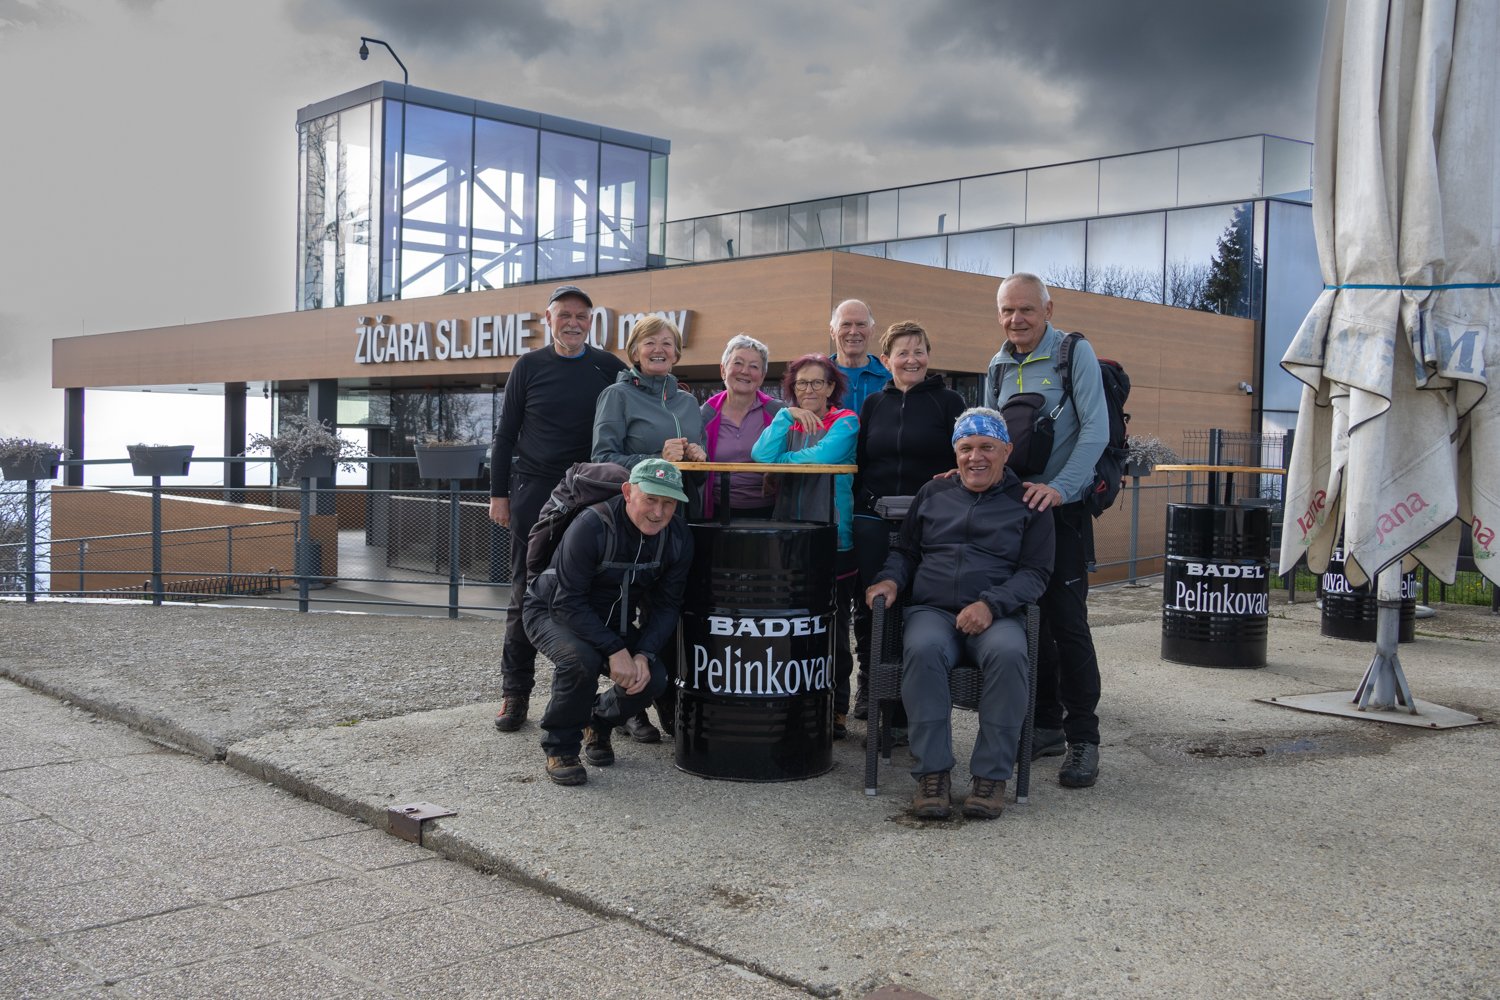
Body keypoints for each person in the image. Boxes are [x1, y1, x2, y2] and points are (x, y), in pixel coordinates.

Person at [865, 408, 1053, 820]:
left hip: (997, 614)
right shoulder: (933, 493)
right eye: (966, 448)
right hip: (932, 610)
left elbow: (1036, 573)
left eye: (987, 447)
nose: (975, 457)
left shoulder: (1028, 502)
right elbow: (906, 551)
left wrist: (992, 604)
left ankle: (990, 777)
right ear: (955, 452)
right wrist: (890, 580)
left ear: (1007, 450)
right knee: (923, 650)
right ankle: (932, 775)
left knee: (1010, 654)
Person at [983, 273, 1108, 789]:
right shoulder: (997, 365)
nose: (1016, 319)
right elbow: (991, 436)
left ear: (1048, 310)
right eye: (1007, 311)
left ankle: (1084, 739)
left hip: (1062, 512)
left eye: (1027, 310)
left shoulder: (1073, 352)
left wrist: (1059, 488)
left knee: (1068, 624)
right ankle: (1044, 726)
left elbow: (1096, 429)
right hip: (1016, 514)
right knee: (1025, 621)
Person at [489, 285, 627, 735]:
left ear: (591, 322)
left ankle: (589, 698)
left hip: (591, 494)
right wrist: (499, 495)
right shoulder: (528, 366)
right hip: (535, 492)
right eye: (564, 315)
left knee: (592, 591)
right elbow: (505, 435)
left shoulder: (609, 367)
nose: (573, 322)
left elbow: (637, 410)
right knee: (525, 591)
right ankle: (515, 692)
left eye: (581, 316)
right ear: (547, 319)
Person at [524, 459, 693, 786]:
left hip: (611, 620)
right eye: (650, 500)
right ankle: (561, 747)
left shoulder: (677, 537)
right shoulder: (592, 525)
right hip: (551, 611)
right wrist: (615, 650)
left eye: (669, 503)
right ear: (628, 492)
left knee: (654, 677)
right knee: (581, 661)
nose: (658, 512)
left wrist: (643, 654)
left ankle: (598, 722)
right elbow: (568, 601)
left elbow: (667, 605)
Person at [591, 314, 706, 743]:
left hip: (676, 523)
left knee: (668, 612)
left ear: (677, 353)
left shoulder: (688, 402)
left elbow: (693, 477)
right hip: (631, 522)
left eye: (667, 343)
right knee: (625, 612)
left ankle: (667, 701)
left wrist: (698, 458)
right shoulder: (616, 395)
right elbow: (602, 460)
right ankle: (629, 706)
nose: (659, 349)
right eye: (650, 342)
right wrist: (655, 457)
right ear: (635, 351)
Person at [851, 321, 967, 723]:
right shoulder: (873, 404)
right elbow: (861, 461)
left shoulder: (949, 402)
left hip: (929, 521)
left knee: (918, 608)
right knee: (870, 607)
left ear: (929, 356)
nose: (912, 360)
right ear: (886, 360)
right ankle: (871, 688)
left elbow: (965, 458)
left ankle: (908, 703)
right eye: (902, 352)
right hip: (873, 517)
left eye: (919, 351)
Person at [751, 354, 858, 737]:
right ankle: (796, 701)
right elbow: (760, 456)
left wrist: (782, 461)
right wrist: (784, 417)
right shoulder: (787, 420)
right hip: (789, 536)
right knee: (792, 625)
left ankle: (838, 707)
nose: (808, 389)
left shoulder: (846, 420)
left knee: (835, 627)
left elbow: (823, 458)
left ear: (831, 387)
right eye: (801, 384)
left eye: (816, 383)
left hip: (832, 538)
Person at [700, 334, 784, 519]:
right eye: (737, 363)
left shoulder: (779, 413)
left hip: (772, 513)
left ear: (762, 377)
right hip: (715, 512)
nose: (745, 371)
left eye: (754, 366)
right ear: (723, 370)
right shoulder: (703, 415)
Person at [828, 299, 890, 417]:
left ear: (872, 330)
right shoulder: (819, 377)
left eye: (861, 324)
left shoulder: (889, 378)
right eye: (846, 324)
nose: (853, 332)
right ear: (832, 331)